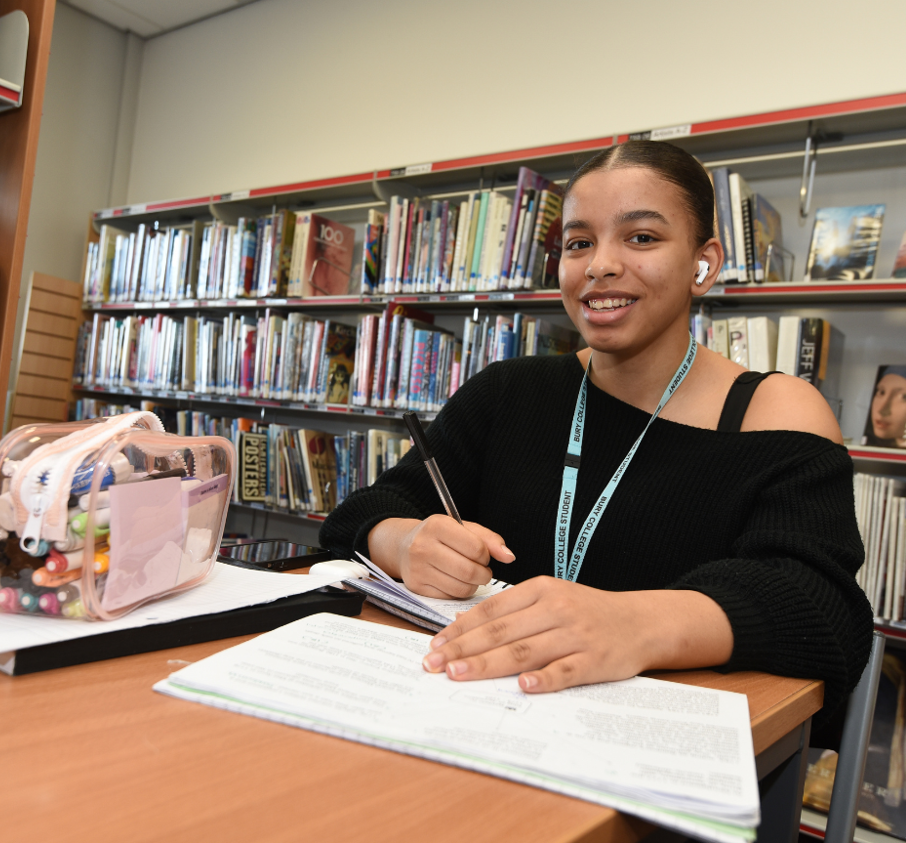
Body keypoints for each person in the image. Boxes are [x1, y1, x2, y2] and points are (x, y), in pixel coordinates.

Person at [319, 140, 873, 725]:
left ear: (702, 263)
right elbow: (363, 513)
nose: (599, 265)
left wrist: (631, 623)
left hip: (655, 746)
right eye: (578, 243)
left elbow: (822, 607)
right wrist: (403, 543)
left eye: (641, 238)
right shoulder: (509, 391)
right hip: (480, 712)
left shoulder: (774, 410)